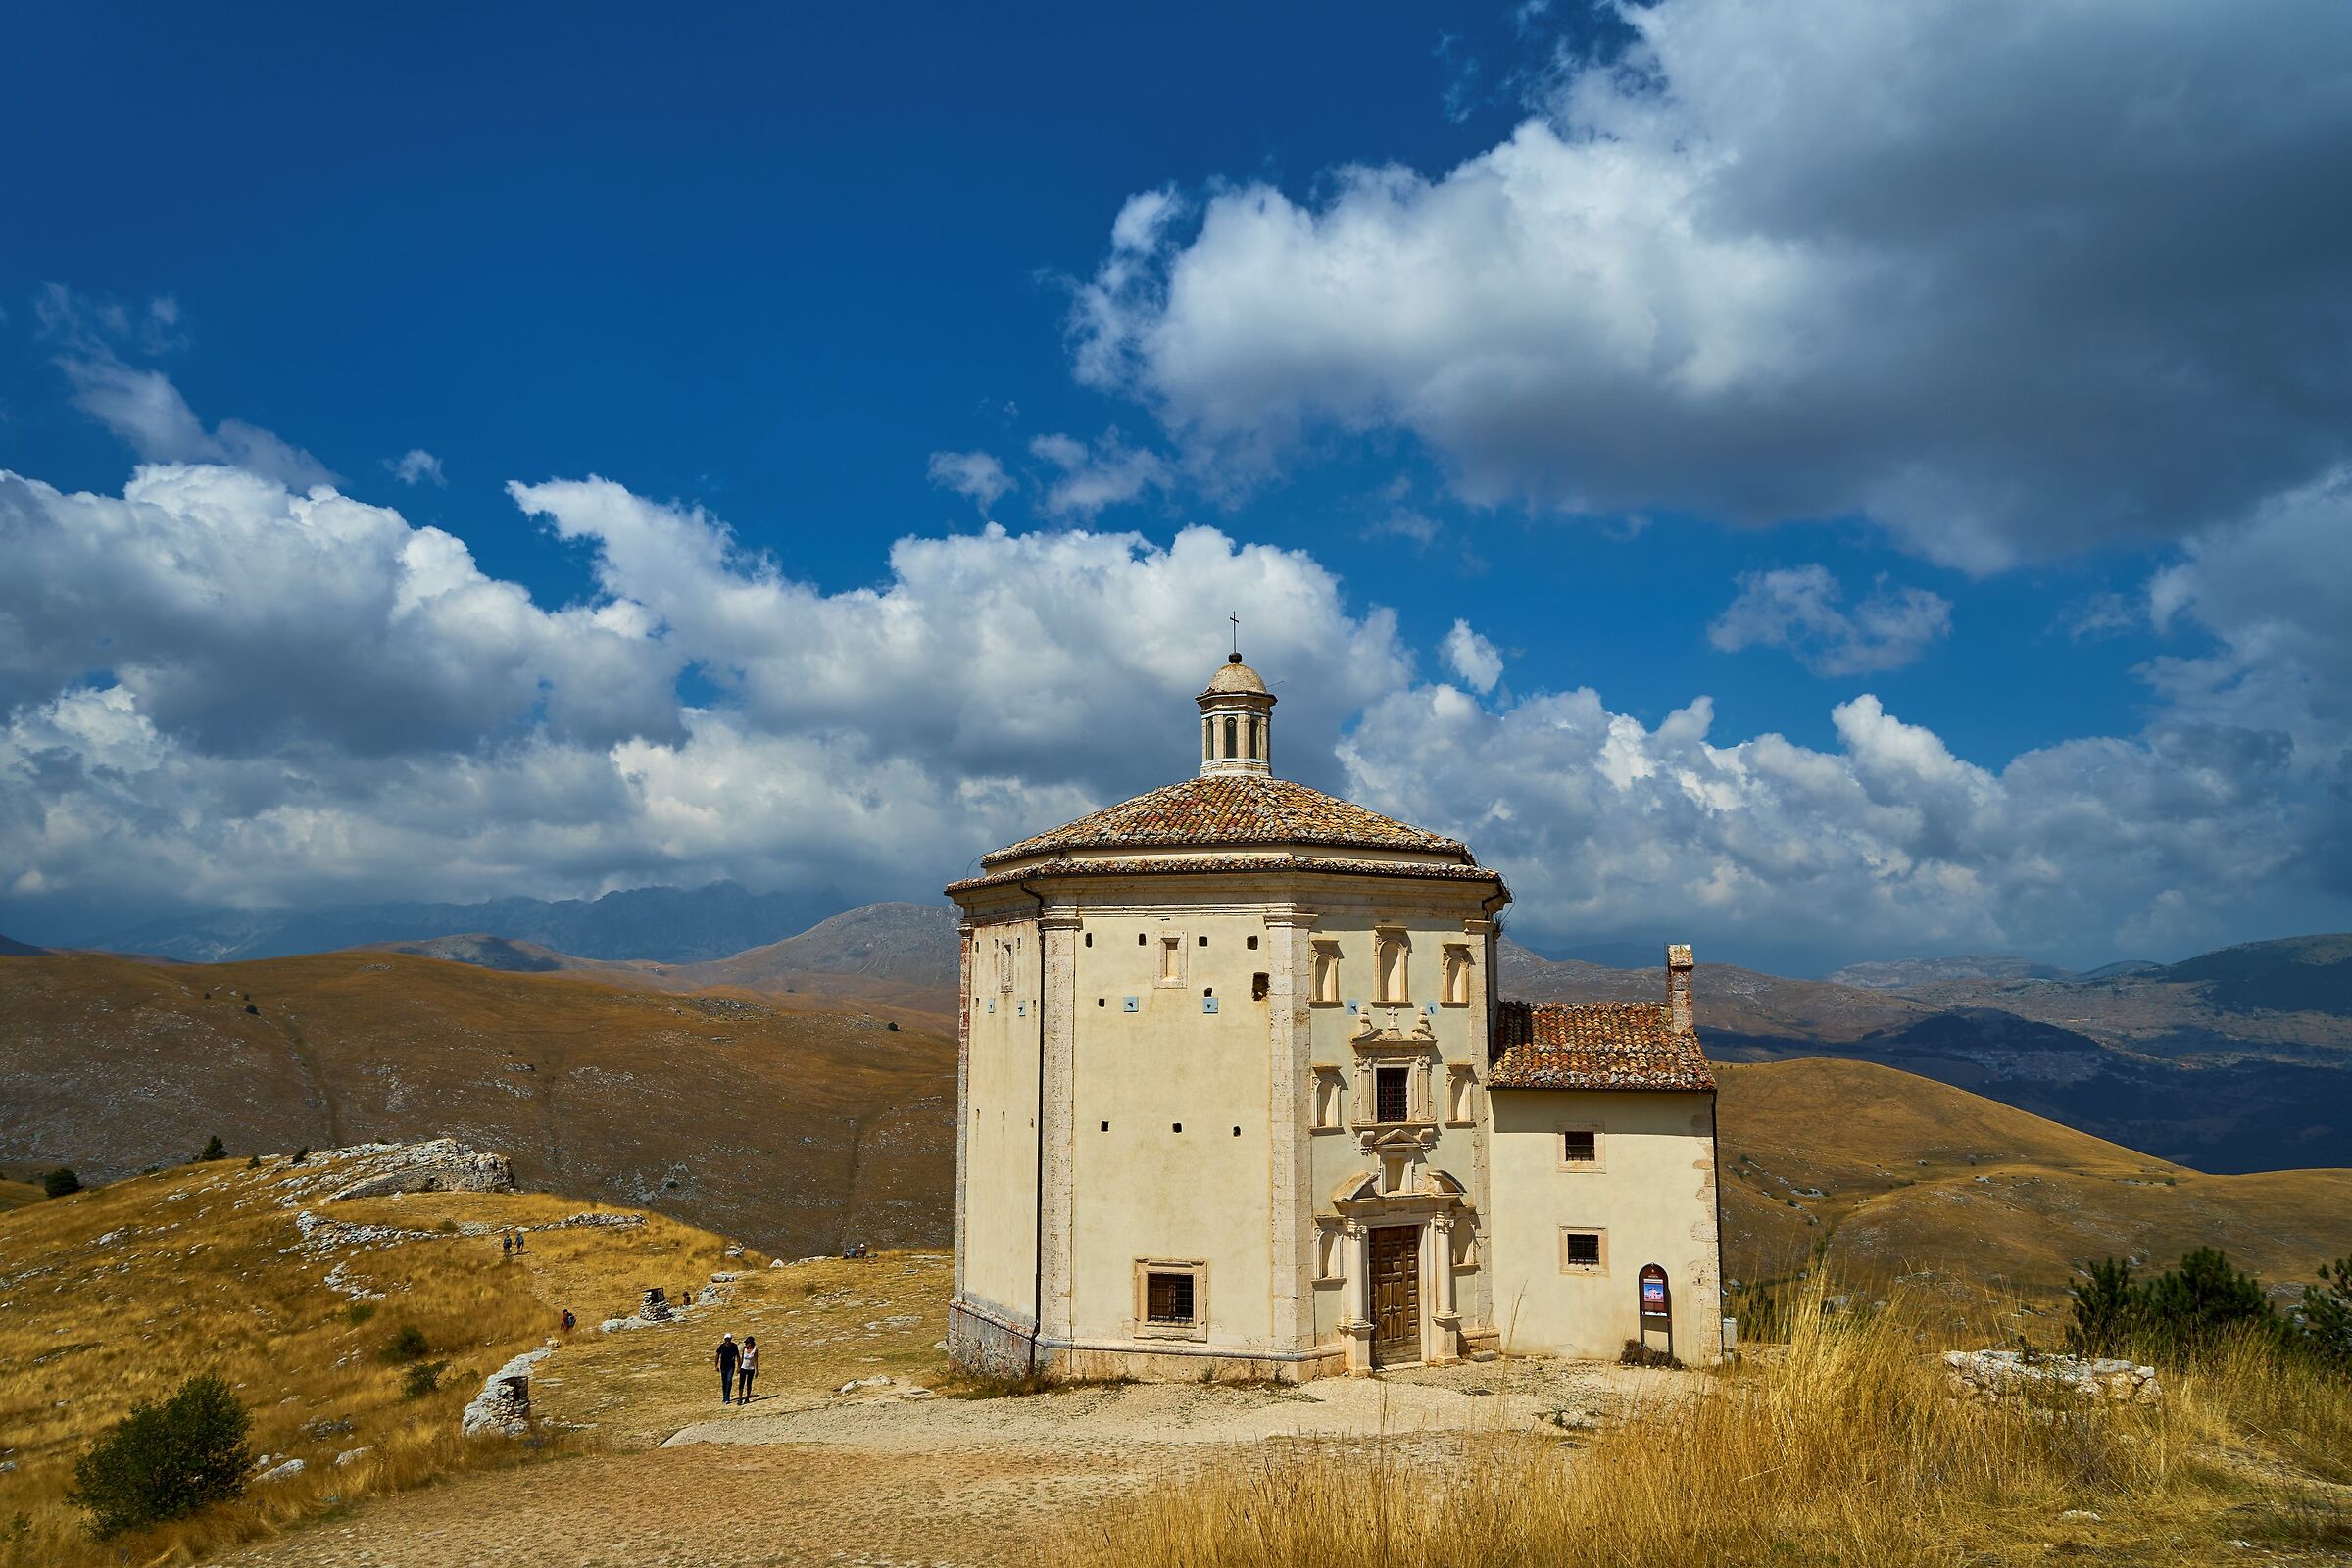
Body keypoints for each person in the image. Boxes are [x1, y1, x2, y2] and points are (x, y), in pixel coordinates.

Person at [714, 1332, 740, 1403]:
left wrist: (739, 1366)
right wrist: (716, 1365)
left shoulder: (734, 1346)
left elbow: (737, 1356)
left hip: (731, 1366)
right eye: (726, 1339)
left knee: (729, 1381)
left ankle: (727, 1397)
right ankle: (724, 1396)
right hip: (723, 1367)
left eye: (729, 1339)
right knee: (724, 1382)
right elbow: (717, 1355)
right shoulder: (722, 1346)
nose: (728, 1341)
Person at [736, 1335, 759, 1404]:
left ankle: (747, 1398)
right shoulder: (744, 1349)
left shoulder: (755, 1350)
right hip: (743, 1368)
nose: (747, 1344)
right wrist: (739, 1367)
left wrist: (756, 1370)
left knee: (749, 1384)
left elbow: (755, 1360)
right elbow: (742, 1358)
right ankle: (740, 1398)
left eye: (748, 1343)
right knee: (741, 1383)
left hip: (750, 1369)